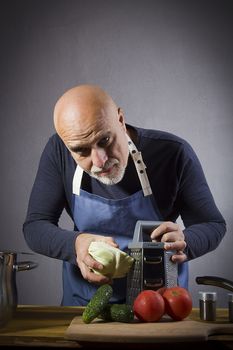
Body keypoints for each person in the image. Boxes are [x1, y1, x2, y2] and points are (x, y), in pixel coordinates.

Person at [23, 84, 226, 306]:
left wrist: (185, 242)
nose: (100, 161)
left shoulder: (174, 153)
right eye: (81, 151)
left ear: (120, 119)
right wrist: (75, 244)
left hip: (159, 306)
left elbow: (212, 224)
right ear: (67, 146)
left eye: (104, 140)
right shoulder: (57, 151)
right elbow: (35, 226)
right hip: (85, 306)